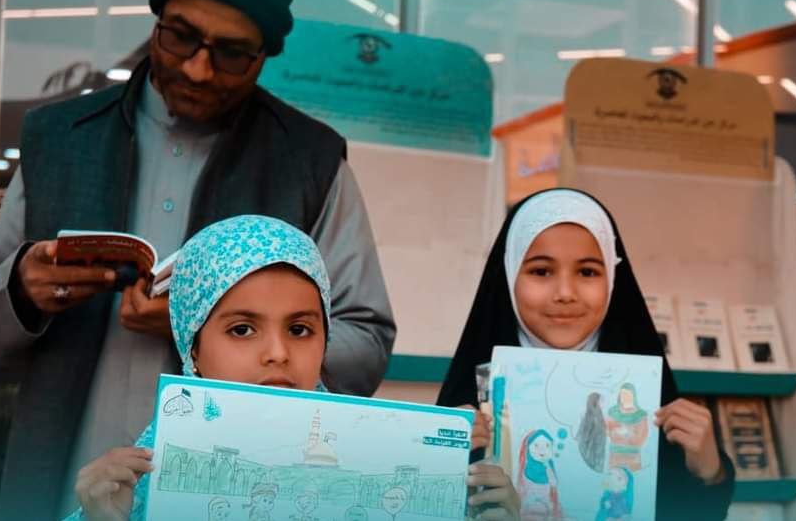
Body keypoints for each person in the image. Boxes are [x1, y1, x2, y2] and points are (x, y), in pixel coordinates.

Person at [0, 0, 394, 518]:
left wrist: (220, 328)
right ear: (156, 20)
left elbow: (366, 342)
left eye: (231, 54)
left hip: (234, 495)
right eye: (181, 37)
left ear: (266, 54)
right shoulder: (59, 139)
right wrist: (23, 290)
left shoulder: (310, 162)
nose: (198, 69)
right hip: (56, 479)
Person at [67, 215, 513, 521]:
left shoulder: (378, 464)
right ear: (193, 346)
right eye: (242, 329)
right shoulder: (140, 483)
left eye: (300, 329)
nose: (278, 353)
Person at [437, 188, 735, 520]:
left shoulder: (651, 407)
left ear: (612, 279)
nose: (565, 293)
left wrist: (710, 474)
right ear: (509, 274)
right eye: (541, 271)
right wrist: (441, 464)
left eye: (588, 272)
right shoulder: (464, 417)